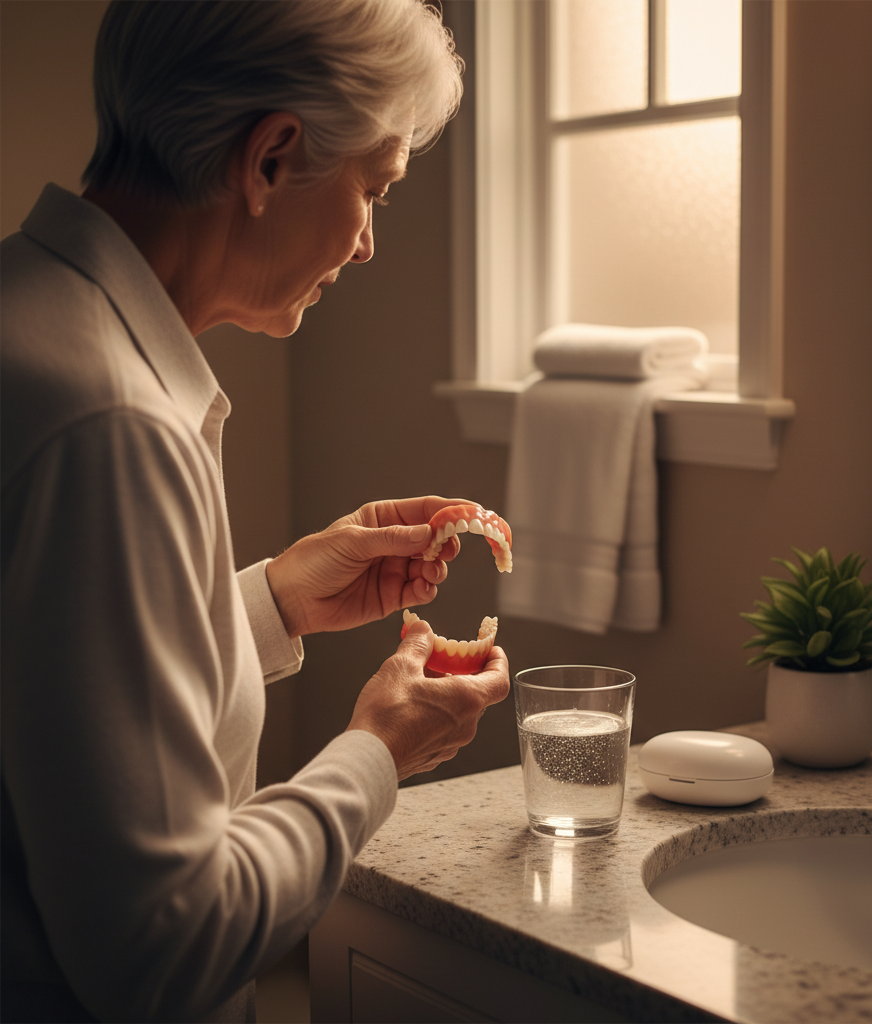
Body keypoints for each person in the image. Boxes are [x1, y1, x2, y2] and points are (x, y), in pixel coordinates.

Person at [0, 2, 509, 1022]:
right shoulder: (111, 420)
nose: (366, 244)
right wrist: (380, 749)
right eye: (375, 187)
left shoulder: (31, 317)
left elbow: (50, 688)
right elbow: (162, 946)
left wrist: (274, 603)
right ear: (271, 158)